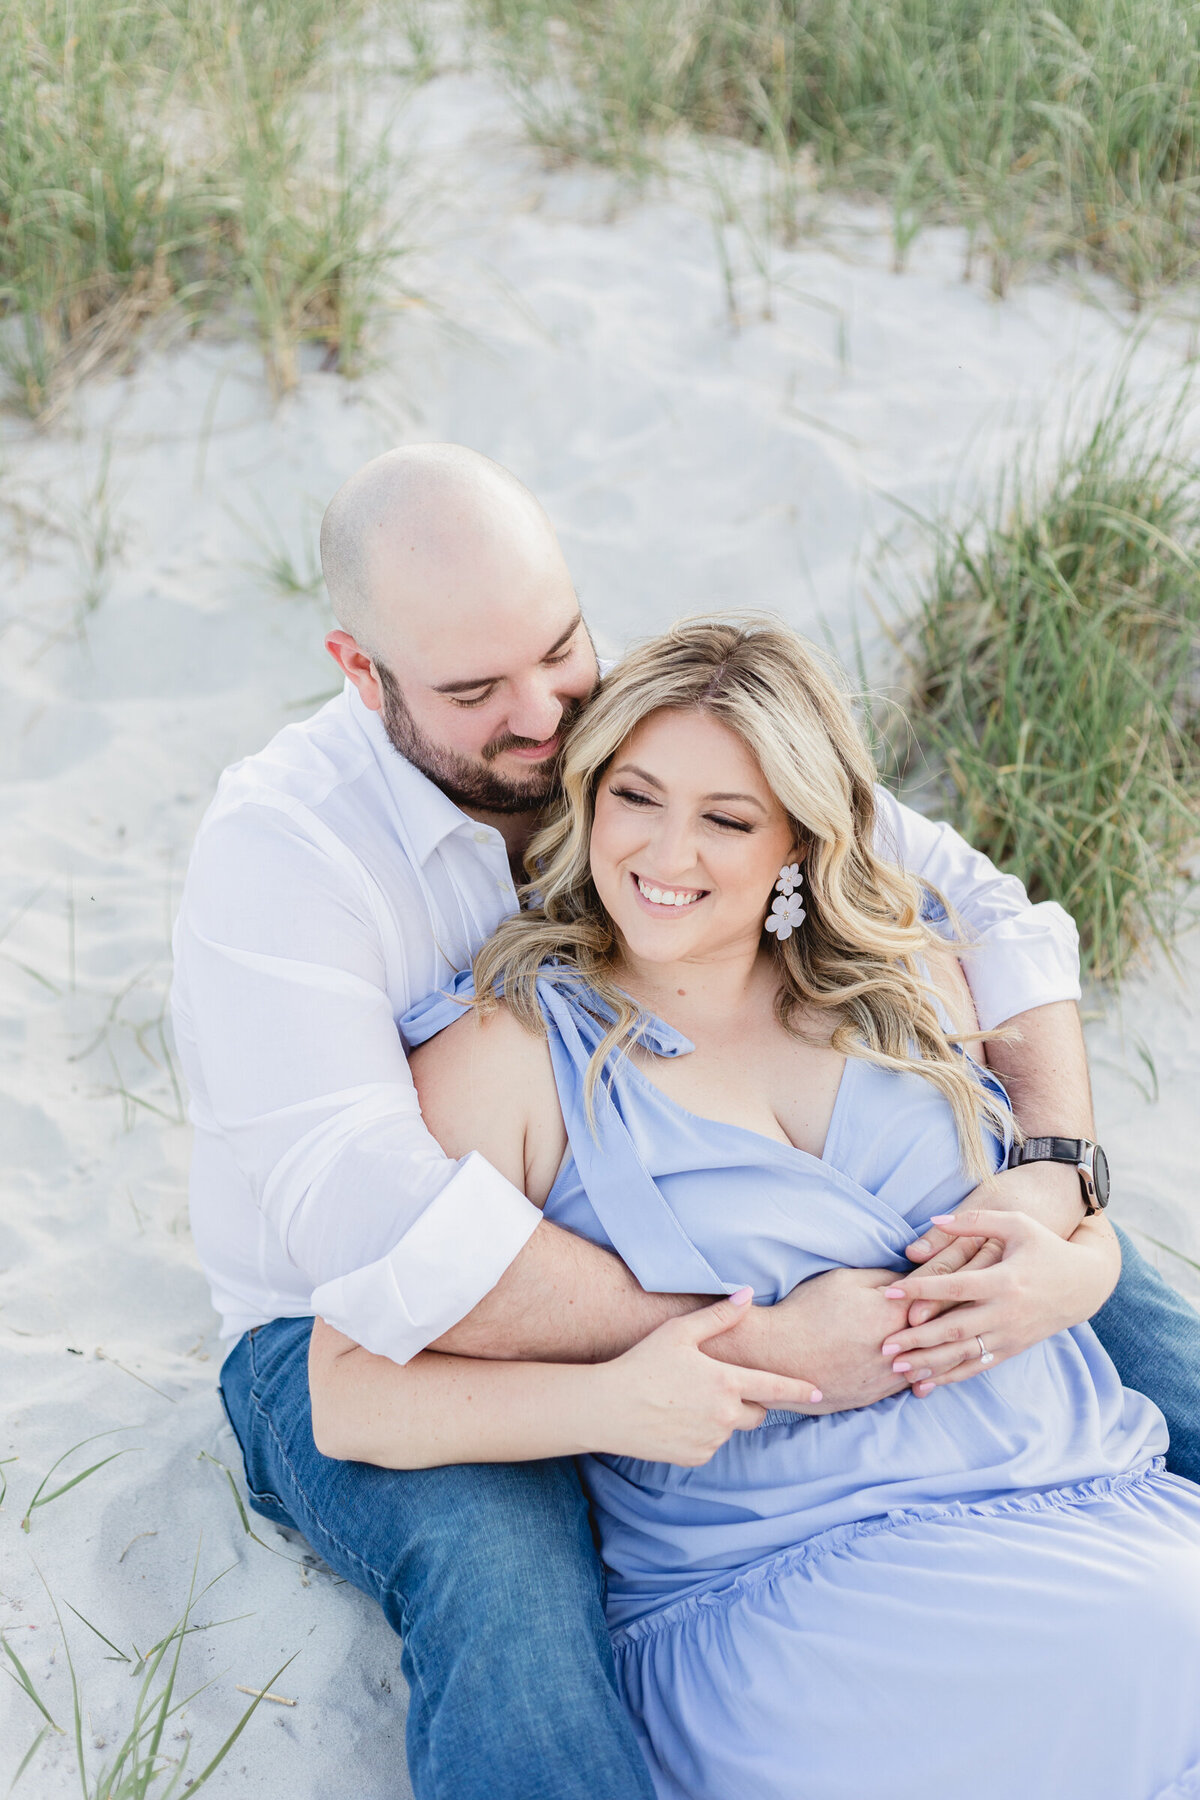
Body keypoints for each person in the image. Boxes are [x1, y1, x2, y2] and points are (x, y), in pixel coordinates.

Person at [170, 445, 1200, 1800]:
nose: (543, 715)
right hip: (363, 1300)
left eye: (560, 653)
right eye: (478, 693)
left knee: (1148, 1348)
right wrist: (755, 1349)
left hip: (992, 1451)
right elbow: (379, 1236)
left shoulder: (672, 744)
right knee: (512, 1595)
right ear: (362, 672)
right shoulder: (288, 858)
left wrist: (1066, 1204)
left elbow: (994, 919)